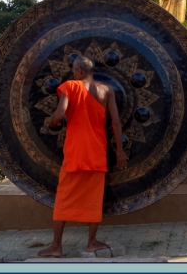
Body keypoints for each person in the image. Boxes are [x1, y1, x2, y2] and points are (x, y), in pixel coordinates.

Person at [38, 56, 128, 257]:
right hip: (96, 151)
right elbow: (115, 122)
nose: (72, 74)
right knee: (94, 199)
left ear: (79, 71)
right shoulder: (107, 90)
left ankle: (57, 246)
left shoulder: (71, 86)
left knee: (64, 197)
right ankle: (91, 242)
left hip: (76, 151)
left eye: (73, 71)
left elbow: (59, 114)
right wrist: (119, 150)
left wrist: (51, 122)